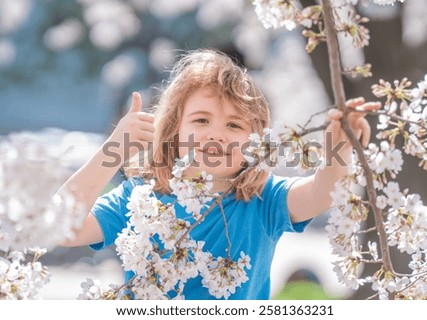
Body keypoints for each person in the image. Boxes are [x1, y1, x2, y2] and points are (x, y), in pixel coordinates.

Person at [61, 48, 380, 299]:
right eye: (201, 121)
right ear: (173, 130)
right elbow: (64, 229)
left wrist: (340, 146)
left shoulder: (263, 200)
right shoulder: (138, 197)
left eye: (234, 125)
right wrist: (110, 152)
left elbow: (322, 193)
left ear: (256, 142)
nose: (217, 134)